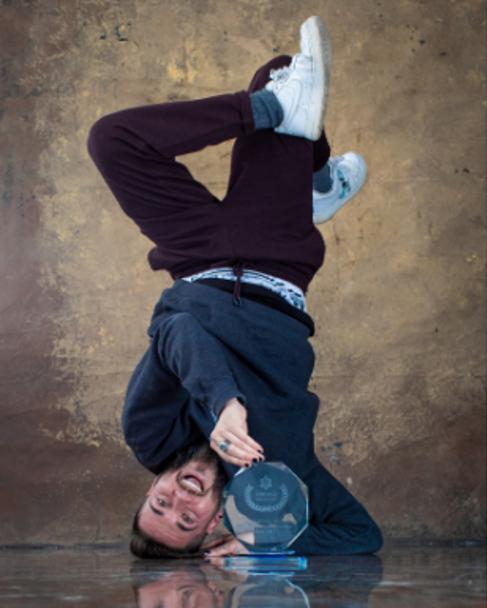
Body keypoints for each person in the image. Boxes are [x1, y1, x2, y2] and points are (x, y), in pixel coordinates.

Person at [87, 16, 381, 557]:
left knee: (113, 139)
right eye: (184, 520)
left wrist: (225, 404)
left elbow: (175, 331)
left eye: (158, 503)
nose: (179, 498)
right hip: (275, 263)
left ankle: (312, 184)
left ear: (150, 488)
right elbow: (361, 535)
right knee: (283, 72)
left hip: (194, 259)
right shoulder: (274, 472)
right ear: (212, 528)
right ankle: (308, 185)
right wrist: (261, 544)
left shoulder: (149, 435)